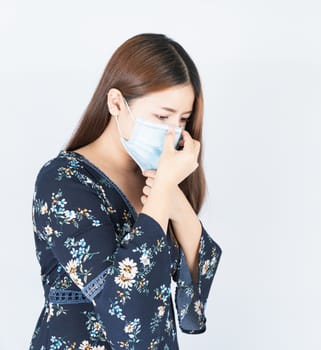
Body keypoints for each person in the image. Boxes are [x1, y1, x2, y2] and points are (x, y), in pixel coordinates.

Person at [29, 33, 223, 349]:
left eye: (183, 119)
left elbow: (191, 309)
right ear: (117, 103)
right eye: (162, 116)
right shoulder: (63, 180)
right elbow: (125, 311)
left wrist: (175, 201)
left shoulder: (154, 178)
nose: (174, 130)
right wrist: (161, 193)